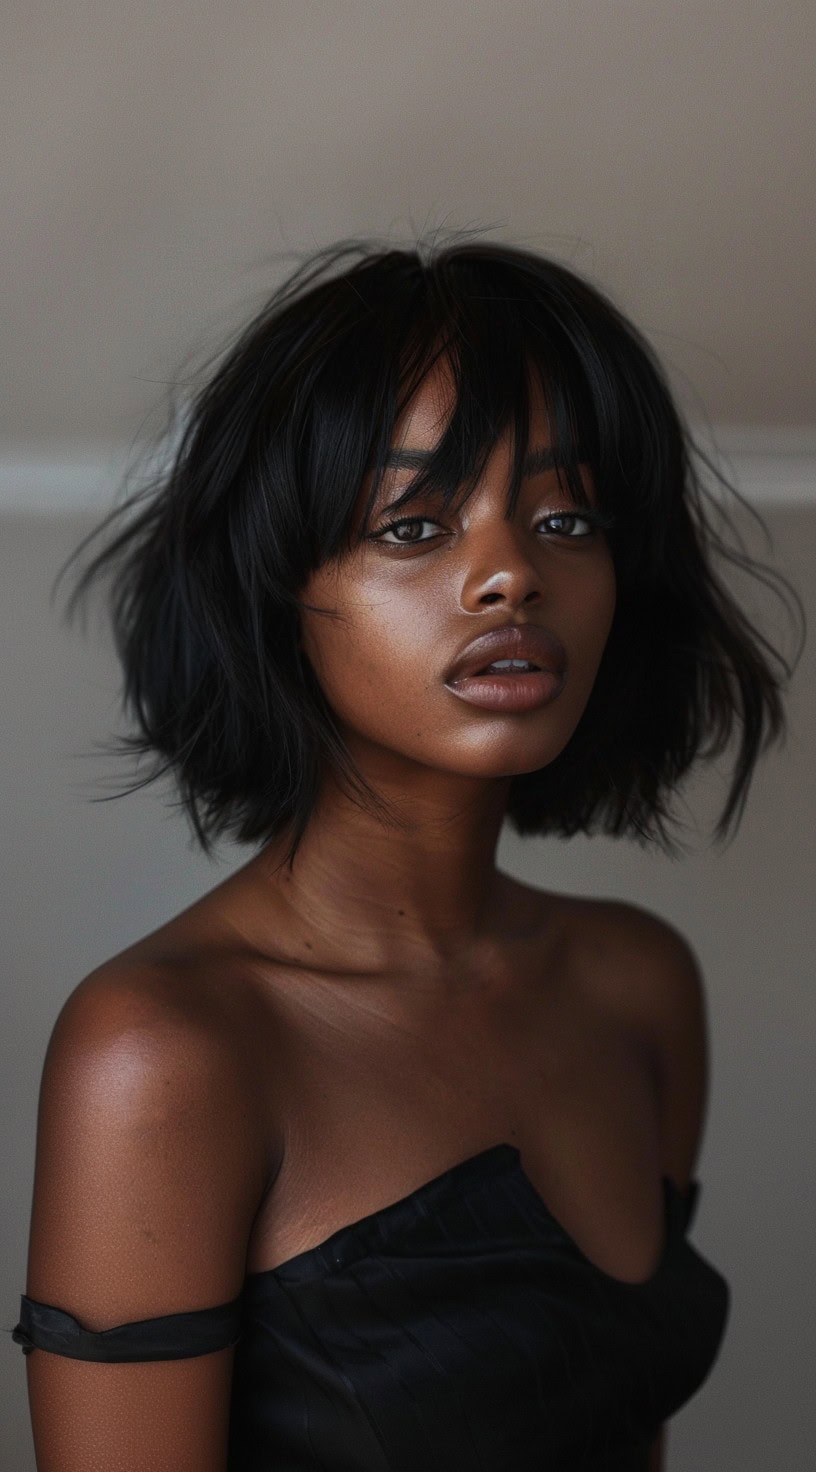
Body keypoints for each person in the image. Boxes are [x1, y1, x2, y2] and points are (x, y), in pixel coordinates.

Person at [9, 237, 803, 1471]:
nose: (511, 576)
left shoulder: (638, 985)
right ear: (276, 586)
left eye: (564, 515)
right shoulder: (163, 1052)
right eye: (414, 522)